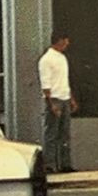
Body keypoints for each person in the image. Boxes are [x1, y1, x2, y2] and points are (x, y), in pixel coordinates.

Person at [38, 33, 77, 173]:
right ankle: (49, 165)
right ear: (59, 41)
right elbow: (46, 84)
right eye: (65, 42)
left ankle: (65, 164)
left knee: (64, 133)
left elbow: (64, 80)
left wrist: (71, 98)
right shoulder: (46, 60)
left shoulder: (62, 58)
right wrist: (51, 104)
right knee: (52, 133)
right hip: (54, 98)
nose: (66, 44)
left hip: (64, 96)